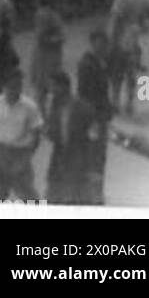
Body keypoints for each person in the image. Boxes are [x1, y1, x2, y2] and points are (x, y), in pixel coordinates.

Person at [0, 69, 42, 202]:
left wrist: (26, 157)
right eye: (12, 86)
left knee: (28, 196)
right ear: (5, 86)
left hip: (20, 153)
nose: (15, 90)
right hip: (0, 151)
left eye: (18, 86)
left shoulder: (30, 107)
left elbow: (36, 135)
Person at [45, 71, 103, 205]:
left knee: (74, 196)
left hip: (77, 158)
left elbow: (94, 135)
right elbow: (53, 133)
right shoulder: (54, 106)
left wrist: (92, 162)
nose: (51, 90)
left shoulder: (83, 108)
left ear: (64, 87)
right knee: (53, 195)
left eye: (54, 86)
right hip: (59, 157)